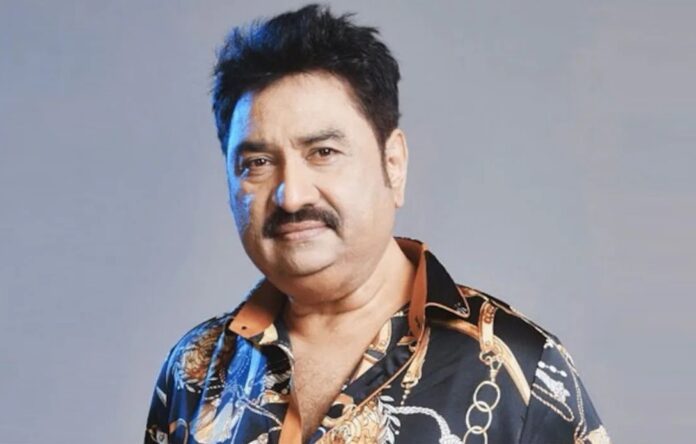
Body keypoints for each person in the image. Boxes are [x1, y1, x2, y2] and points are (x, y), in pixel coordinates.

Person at [144, 4, 610, 443]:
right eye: (258, 163)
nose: (292, 195)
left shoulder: (519, 369)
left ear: (394, 164)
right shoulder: (194, 370)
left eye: (323, 152)